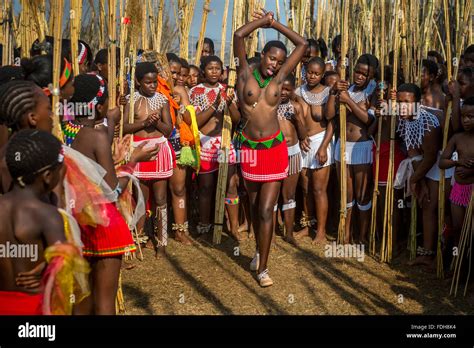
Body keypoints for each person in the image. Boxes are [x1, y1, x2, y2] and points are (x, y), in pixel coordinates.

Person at [234, 8, 307, 286]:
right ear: (262, 55)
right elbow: (239, 35)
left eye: (279, 61)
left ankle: (263, 268)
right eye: (271, 58)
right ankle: (257, 249)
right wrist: (262, 22)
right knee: (254, 207)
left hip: (275, 150)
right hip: (250, 150)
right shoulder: (244, 74)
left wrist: (277, 24)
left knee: (266, 209)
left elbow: (302, 45)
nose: (275, 64)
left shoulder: (279, 79)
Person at [123, 62, 177, 251]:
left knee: (161, 198)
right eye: (148, 82)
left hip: (158, 150)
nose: (153, 85)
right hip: (138, 151)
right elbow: (123, 127)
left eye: (155, 82)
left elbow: (169, 130)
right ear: (138, 82)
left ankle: (161, 240)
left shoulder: (162, 101)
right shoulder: (130, 100)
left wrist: (156, 124)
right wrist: (144, 122)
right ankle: (139, 236)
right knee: (140, 197)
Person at [395, 83, 450, 267]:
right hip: (426, 163)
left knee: (436, 207)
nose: (402, 106)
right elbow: (413, 150)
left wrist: (414, 179)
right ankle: (428, 253)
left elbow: (431, 156)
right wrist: (421, 182)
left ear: (417, 103)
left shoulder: (429, 123)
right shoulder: (404, 117)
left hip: (443, 162)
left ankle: (441, 255)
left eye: (407, 102)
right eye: (399, 102)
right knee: (426, 205)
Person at [326, 54, 378, 244]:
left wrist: (348, 101)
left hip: (362, 147)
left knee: (362, 195)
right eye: (358, 71)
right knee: (346, 194)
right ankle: (345, 234)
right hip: (343, 146)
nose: (360, 76)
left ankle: (362, 236)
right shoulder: (345, 87)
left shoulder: (374, 91)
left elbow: (368, 120)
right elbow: (330, 114)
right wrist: (334, 93)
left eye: (365, 74)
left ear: (372, 76)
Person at [189, 55, 242, 240]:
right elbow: (195, 121)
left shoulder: (227, 90)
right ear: (203, 70)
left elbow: (236, 120)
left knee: (230, 186)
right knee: (205, 188)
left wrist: (228, 103)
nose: (214, 72)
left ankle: (233, 227)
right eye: (210, 68)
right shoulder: (195, 91)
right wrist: (215, 104)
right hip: (204, 143)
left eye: (217, 69)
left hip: (224, 142)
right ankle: (205, 226)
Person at [294, 57, 335, 244]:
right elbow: (295, 119)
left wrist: (324, 147)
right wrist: (300, 139)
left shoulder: (328, 93)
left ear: (322, 75)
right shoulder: (297, 91)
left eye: (317, 73)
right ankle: (307, 224)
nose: (312, 76)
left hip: (321, 141)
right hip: (303, 143)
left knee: (319, 189)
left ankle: (320, 231)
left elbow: (332, 123)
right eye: (309, 72)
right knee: (305, 188)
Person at [439, 97, 474, 253]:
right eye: (463, 116)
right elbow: (442, 162)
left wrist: (471, 170)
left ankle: (468, 268)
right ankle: (456, 261)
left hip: (473, 190)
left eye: (471, 117)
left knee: (471, 230)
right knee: (458, 229)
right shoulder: (457, 138)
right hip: (458, 190)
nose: (466, 120)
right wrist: (457, 163)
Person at [276, 74, 306, 245]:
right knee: (272, 194)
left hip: (293, 153)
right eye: (282, 88)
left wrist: (296, 120)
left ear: (293, 90)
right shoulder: (269, 107)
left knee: (289, 194)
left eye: (288, 89)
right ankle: (271, 231)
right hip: (274, 153)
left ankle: (288, 233)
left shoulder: (296, 107)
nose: (284, 92)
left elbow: (302, 135)